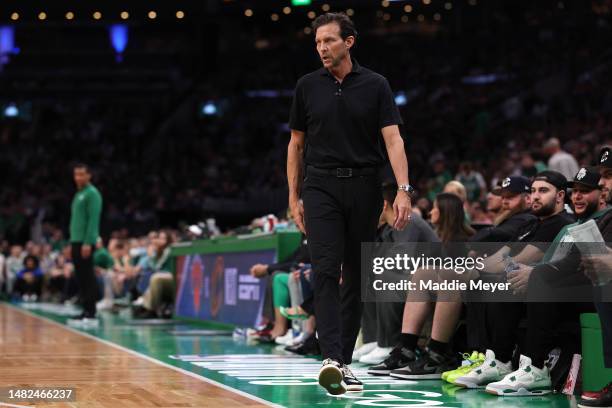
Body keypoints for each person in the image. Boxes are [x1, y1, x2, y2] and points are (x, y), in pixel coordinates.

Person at [287, 12, 411, 395]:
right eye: (318, 43)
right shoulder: (307, 86)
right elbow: (295, 145)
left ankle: (343, 363)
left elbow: (393, 140)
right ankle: (331, 357)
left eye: (329, 41)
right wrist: (293, 196)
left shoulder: (376, 85)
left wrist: (403, 189)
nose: (322, 48)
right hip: (320, 186)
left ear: (349, 42)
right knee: (325, 270)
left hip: (365, 187)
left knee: (356, 274)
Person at [67, 163, 103, 328]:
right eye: (76, 175)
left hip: (85, 242)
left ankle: (91, 311)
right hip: (76, 240)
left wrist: (88, 242)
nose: (78, 178)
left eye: (82, 174)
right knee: (80, 276)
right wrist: (71, 242)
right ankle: (85, 309)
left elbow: (93, 220)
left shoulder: (92, 194)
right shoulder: (79, 194)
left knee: (87, 276)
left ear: (89, 176)